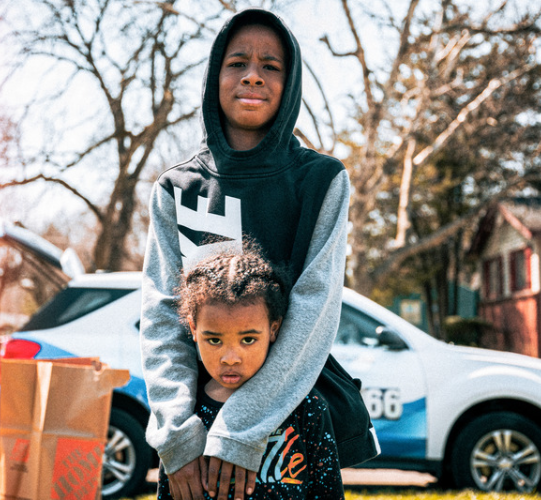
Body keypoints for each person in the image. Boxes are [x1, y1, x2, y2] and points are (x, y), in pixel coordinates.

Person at [140, 8, 379, 500]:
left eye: (271, 65)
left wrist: (243, 428)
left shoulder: (322, 180)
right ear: (214, 76)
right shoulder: (176, 189)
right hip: (195, 430)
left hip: (294, 414)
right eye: (238, 62)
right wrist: (176, 434)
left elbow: (315, 308)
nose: (253, 74)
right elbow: (163, 314)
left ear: (290, 84)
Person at [156, 248, 345, 500]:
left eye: (248, 339)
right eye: (214, 340)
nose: (230, 357)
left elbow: (328, 493)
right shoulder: (183, 421)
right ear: (193, 328)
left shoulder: (306, 407)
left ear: (273, 329)